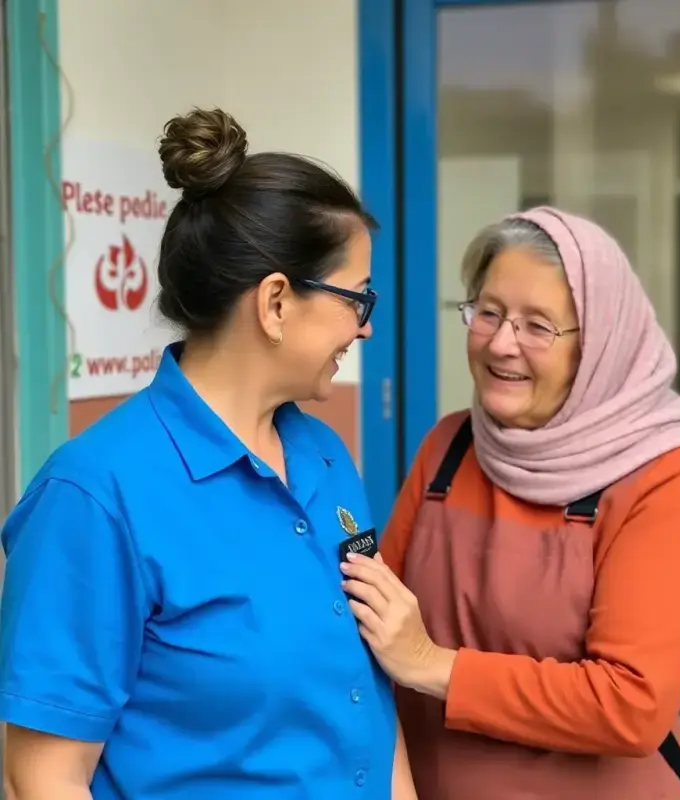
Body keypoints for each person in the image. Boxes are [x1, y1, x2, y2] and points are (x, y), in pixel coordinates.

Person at [0, 108, 415, 800]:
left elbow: (363, 699)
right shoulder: (95, 496)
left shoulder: (324, 456)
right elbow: (42, 777)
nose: (365, 328)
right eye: (357, 299)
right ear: (277, 303)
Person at [339, 206, 680, 799]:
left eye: (538, 326)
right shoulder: (449, 446)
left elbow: (631, 703)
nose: (501, 344)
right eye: (489, 313)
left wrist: (433, 663)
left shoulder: (664, 472)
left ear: (599, 346)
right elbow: (372, 623)